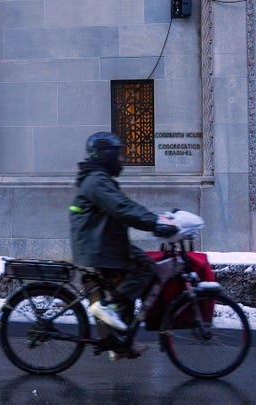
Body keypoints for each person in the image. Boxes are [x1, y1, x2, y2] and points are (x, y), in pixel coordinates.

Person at [69, 132, 178, 335]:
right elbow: (122, 208)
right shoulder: (97, 181)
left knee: (131, 278)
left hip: (103, 244)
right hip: (99, 247)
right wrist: (154, 223)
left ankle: (118, 339)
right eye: (118, 154)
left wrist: (156, 218)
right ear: (106, 155)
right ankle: (108, 308)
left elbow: (125, 206)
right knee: (145, 267)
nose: (122, 160)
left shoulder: (99, 179)